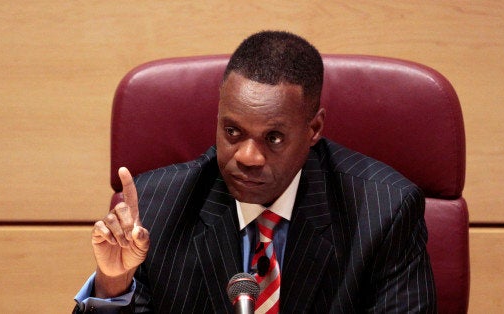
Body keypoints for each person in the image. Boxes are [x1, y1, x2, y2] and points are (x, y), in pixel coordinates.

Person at [74, 30, 436, 313]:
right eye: (232, 132)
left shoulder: (382, 211)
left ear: (314, 129)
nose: (247, 156)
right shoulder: (158, 209)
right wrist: (114, 283)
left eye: (273, 138)